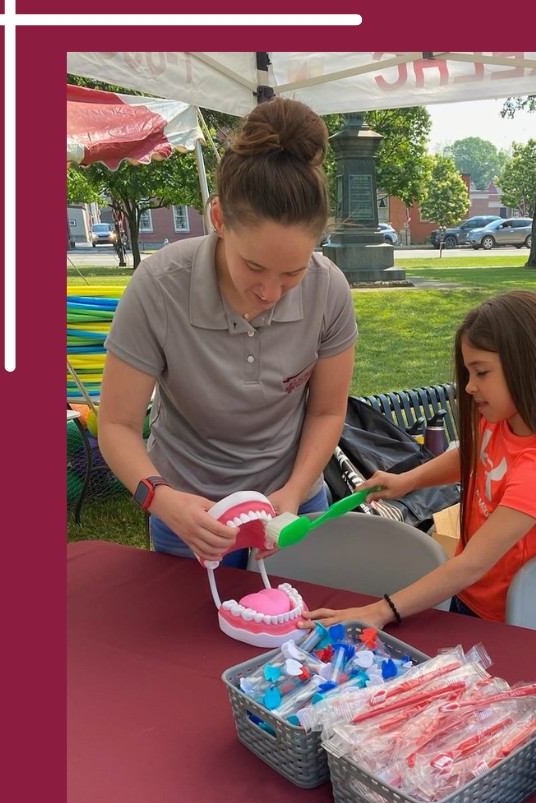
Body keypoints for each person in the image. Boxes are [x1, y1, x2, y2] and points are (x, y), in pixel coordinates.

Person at [99, 98, 356, 568]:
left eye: (292, 273)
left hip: (291, 503)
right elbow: (116, 424)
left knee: (302, 633)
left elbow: (326, 411)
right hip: (187, 513)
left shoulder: (329, 289)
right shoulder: (159, 286)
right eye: (254, 267)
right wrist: (162, 499)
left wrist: (294, 492)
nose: (270, 292)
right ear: (218, 220)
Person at [304, 291, 536, 626]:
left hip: (508, 617)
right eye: (468, 373)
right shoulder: (498, 424)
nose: (468, 387)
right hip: (466, 595)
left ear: (529, 368)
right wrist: (406, 481)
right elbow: (471, 458)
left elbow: (473, 563)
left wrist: (378, 611)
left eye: (481, 372)